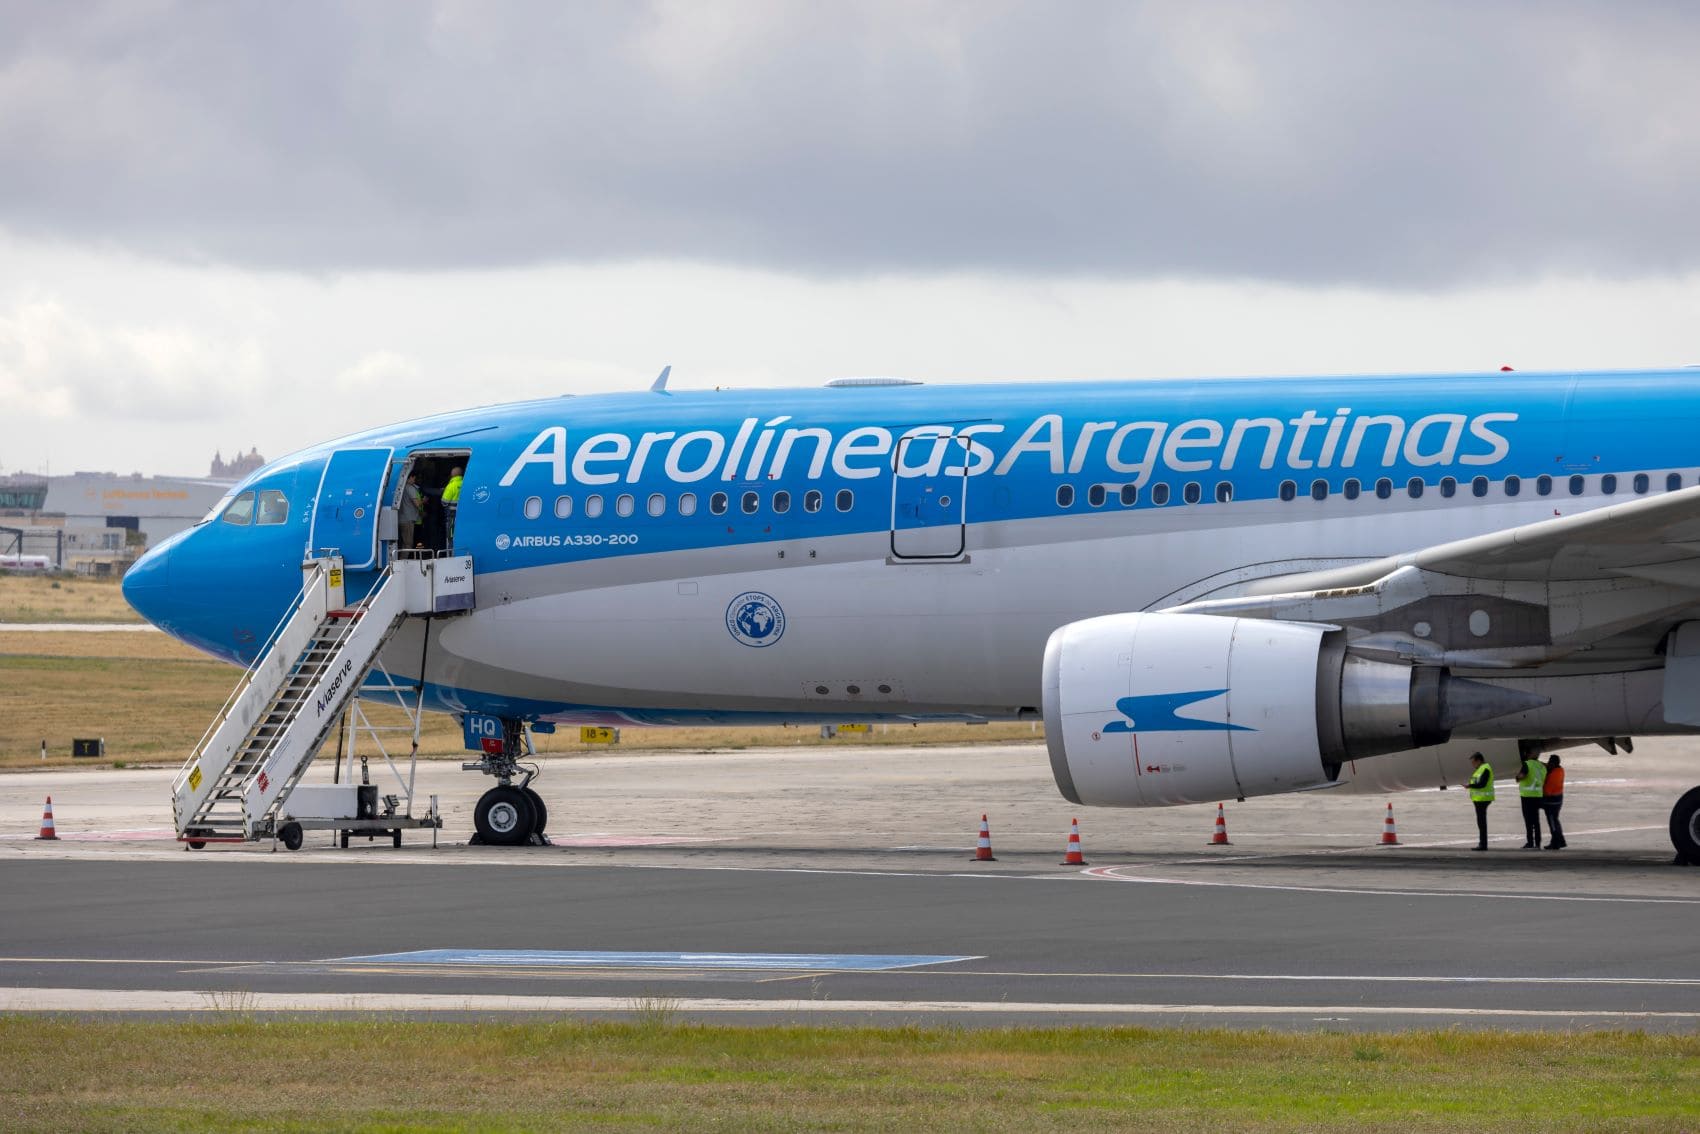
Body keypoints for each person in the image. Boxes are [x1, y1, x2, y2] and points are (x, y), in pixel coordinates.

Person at [1515, 750, 1547, 848]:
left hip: (1527, 796)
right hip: (1538, 795)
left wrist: (1517, 777)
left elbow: (1522, 775)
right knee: (1536, 821)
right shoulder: (1541, 766)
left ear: (1529, 755)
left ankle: (1530, 842)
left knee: (1528, 821)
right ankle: (1537, 843)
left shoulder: (1527, 764)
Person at [1466, 752, 1494, 851]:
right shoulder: (1480, 769)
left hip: (1483, 799)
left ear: (1479, 760)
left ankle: (1483, 844)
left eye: (1473, 762)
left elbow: (1482, 784)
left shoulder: (1485, 769)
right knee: (1481, 823)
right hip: (1479, 800)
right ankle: (1482, 843)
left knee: (1482, 823)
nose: (1473, 765)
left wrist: (1469, 786)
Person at [1542, 753, 1567, 849]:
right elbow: (1548, 766)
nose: (1548, 763)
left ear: (1553, 763)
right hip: (1558, 799)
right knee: (1556, 821)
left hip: (1551, 801)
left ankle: (1556, 842)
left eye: (1550, 762)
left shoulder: (1553, 775)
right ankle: (1561, 841)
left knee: (1552, 823)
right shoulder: (1560, 770)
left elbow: (1547, 791)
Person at [398, 473, 424, 552]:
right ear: (410, 477)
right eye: (414, 479)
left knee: (403, 542)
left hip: (401, 518)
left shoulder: (401, 488)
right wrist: (423, 501)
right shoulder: (410, 488)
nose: (414, 481)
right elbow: (416, 503)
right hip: (408, 519)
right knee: (408, 544)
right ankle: (403, 562)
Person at [441, 466, 464, 550]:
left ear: (452, 475)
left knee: (451, 537)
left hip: (452, 516)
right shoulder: (466, 483)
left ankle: (452, 555)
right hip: (465, 515)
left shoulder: (451, 486)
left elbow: (444, 502)